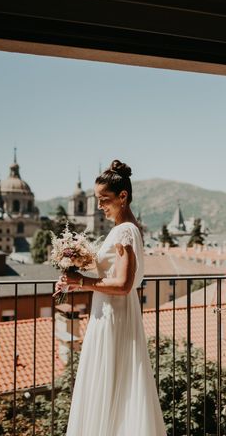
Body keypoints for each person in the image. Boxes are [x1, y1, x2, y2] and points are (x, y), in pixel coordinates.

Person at [56, 159, 166, 436]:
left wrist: (80, 281)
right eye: (97, 200)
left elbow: (123, 284)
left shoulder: (124, 231)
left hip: (113, 315)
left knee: (110, 381)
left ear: (123, 196)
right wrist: (79, 271)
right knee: (114, 382)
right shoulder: (127, 228)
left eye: (104, 199)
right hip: (110, 312)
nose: (100, 206)